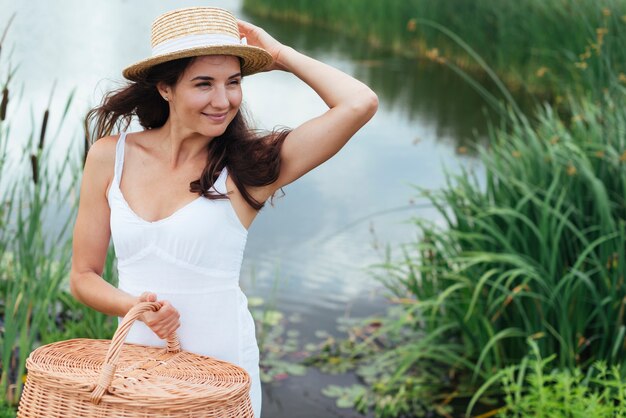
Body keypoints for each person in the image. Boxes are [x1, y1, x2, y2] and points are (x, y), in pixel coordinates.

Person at [69, 6, 377, 417]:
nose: (223, 100)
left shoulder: (249, 168)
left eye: (233, 82)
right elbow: (82, 276)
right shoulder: (111, 157)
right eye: (203, 84)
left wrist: (280, 55)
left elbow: (360, 103)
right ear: (165, 87)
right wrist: (131, 306)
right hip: (137, 367)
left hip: (223, 373)